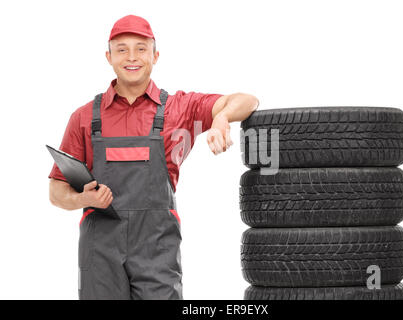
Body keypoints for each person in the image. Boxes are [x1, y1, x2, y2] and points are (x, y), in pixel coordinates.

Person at [48, 15, 259, 300]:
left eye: (141, 48)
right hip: (100, 249)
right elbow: (56, 191)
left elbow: (247, 101)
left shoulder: (179, 107)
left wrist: (221, 116)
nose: (131, 57)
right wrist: (82, 199)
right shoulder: (84, 117)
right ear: (108, 56)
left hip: (156, 246)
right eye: (122, 49)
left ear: (155, 55)